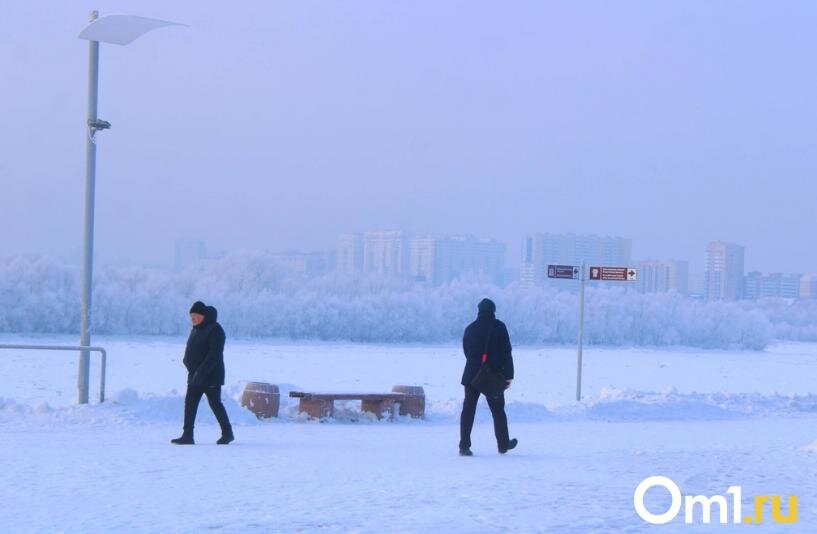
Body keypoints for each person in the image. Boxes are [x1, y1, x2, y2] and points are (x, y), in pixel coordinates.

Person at [459, 298, 517, 456]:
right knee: (498, 411)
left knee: (468, 410)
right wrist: (508, 375)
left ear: (478, 311)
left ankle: (464, 446)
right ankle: (503, 444)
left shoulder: (470, 328)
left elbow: (467, 351)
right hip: (492, 377)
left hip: (471, 376)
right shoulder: (499, 327)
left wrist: (475, 365)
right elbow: (506, 353)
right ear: (493, 311)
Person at [171, 301, 234, 445]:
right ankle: (187, 435)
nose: (192, 318)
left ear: (203, 316)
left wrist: (201, 372)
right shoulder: (196, 329)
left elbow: (214, 355)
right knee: (190, 404)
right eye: (191, 315)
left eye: (195, 315)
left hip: (211, 376)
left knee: (215, 404)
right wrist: (187, 362)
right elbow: (191, 349)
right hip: (194, 375)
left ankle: (228, 433)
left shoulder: (215, 329)